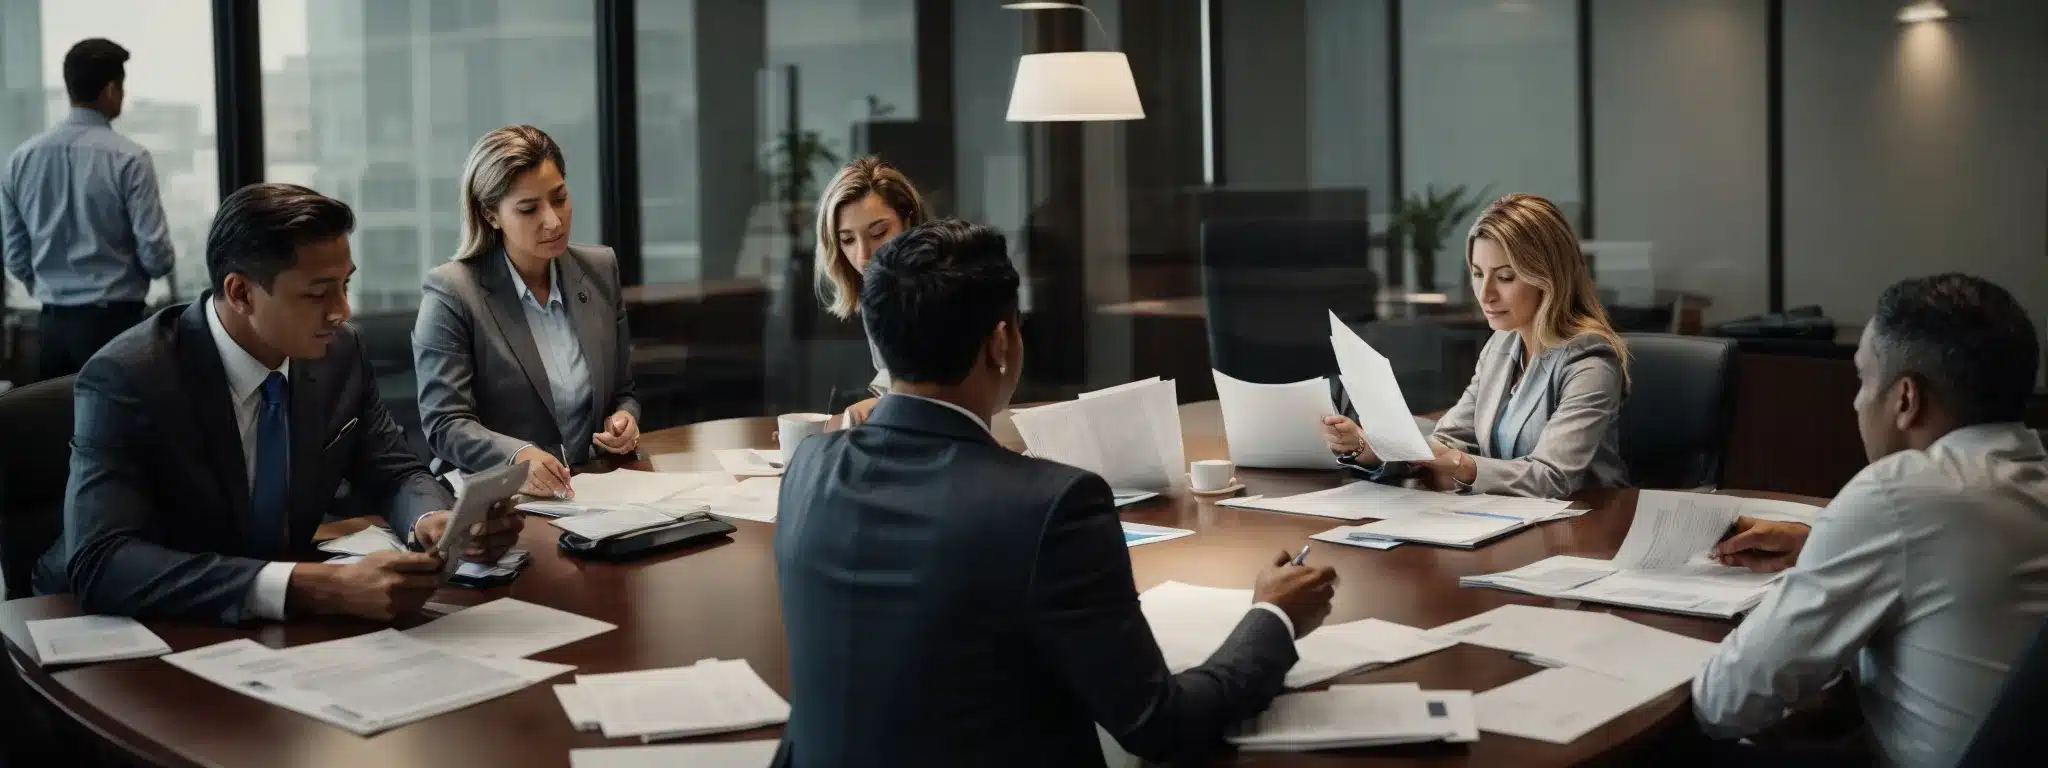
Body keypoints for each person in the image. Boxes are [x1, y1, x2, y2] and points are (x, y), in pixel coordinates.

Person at [772, 219, 1338, 767]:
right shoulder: (1049, 505)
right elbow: (1161, 725)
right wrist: (1274, 616)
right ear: (1000, 343)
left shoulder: (808, 467)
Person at [32, 183, 522, 624]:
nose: (342, 311)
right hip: (114, 624)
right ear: (240, 293)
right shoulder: (131, 376)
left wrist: (432, 522)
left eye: (345, 285)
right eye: (317, 294)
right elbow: (103, 560)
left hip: (267, 629)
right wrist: (314, 587)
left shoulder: (339, 354)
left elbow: (392, 470)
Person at [1693, 274, 2047, 767]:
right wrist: (1819, 543)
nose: (1857, 402)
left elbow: (1725, 703)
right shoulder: (2027, 478)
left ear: (1905, 399)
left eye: (1863, 380)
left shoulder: (1900, 491)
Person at [1321, 193, 1630, 497]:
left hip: (1590, 521)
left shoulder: (1590, 361)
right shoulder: (1502, 343)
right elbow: (1449, 439)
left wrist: (1462, 466)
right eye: (1478, 274)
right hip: (1510, 516)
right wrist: (1369, 448)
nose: (1485, 294)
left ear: (1548, 278)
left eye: (1505, 277)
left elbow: (1552, 477)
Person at [412, 125, 640, 499]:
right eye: (529, 209)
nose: (553, 221)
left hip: (588, 492)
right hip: (499, 503)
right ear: (491, 215)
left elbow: (622, 392)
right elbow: (445, 423)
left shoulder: (599, 270)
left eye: (560, 198)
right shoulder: (452, 292)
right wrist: (518, 456)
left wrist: (624, 420)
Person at [0, 39, 175, 380]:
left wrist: (49, 285)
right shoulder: (130, 158)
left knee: (56, 411)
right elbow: (157, 257)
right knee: (118, 413)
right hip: (116, 326)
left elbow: (15, 256)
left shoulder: (21, 159)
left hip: (52, 327)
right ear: (111, 89)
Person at [811, 156, 930, 429]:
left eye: (879, 232)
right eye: (847, 240)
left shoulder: (942, 286)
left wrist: (883, 403)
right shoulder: (875, 292)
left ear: (909, 222)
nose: (863, 255)